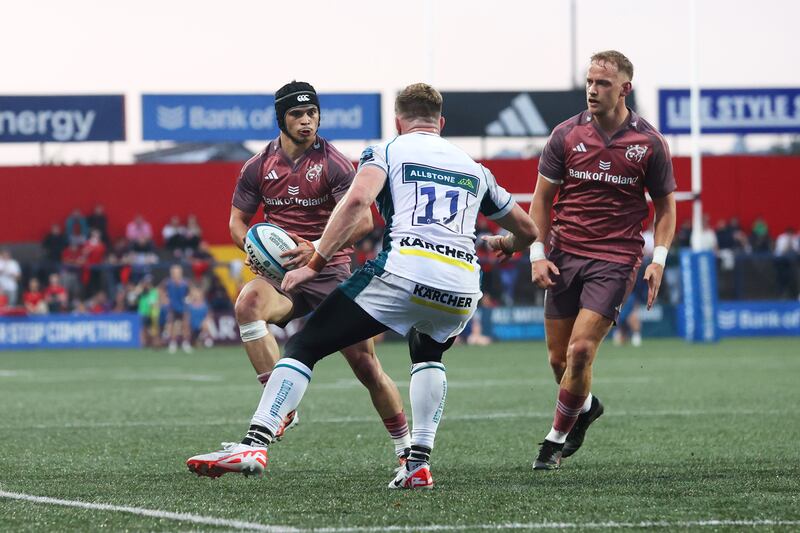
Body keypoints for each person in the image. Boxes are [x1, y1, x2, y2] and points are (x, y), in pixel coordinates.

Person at [186, 83, 538, 488]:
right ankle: (417, 464)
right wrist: (508, 243)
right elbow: (527, 229)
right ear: (441, 123)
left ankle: (255, 441)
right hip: (460, 285)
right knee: (427, 355)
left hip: (395, 271)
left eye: (311, 113)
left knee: (306, 346)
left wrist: (316, 258)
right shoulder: (476, 168)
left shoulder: (385, 150)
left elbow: (357, 206)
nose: (306, 120)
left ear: (397, 122)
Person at [192, 81, 410, 464]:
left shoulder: (336, 163)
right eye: (297, 114)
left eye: (312, 113)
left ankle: (405, 446)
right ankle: (283, 409)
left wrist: (317, 248)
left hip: (331, 271)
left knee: (366, 366)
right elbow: (237, 223)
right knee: (248, 305)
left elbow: (361, 224)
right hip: (283, 275)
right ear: (281, 118)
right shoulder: (258, 166)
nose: (307, 121)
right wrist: (251, 248)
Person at [528, 50, 676, 469]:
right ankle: (586, 407)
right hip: (563, 254)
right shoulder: (565, 135)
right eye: (590, 82)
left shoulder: (649, 143)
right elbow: (541, 200)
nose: (593, 90)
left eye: (603, 83)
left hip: (615, 258)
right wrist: (536, 254)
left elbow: (666, 208)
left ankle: (552, 442)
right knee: (559, 362)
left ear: (624, 89)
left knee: (579, 352)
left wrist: (658, 259)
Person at [164, 264, 192, 353]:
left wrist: (189, 298)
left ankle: (185, 343)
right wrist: (165, 299)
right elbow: (161, 291)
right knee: (171, 325)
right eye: (174, 272)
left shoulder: (185, 283)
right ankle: (172, 343)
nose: (176, 274)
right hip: (172, 306)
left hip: (183, 306)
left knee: (185, 325)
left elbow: (190, 292)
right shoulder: (168, 282)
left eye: (177, 272)